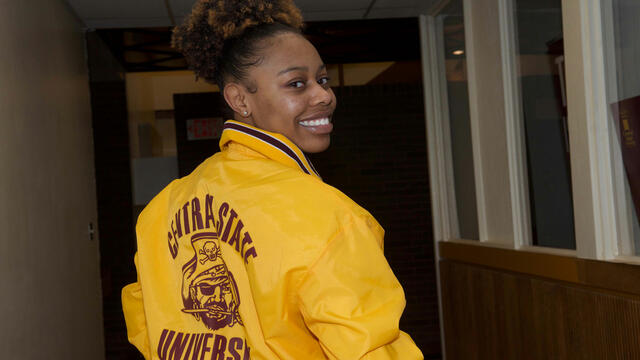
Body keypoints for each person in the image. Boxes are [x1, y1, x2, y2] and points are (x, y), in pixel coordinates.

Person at [121, 0, 424, 359]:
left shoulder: (162, 207)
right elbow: (368, 348)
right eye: (297, 84)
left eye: (323, 79)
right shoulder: (326, 213)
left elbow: (146, 325)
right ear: (238, 99)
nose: (323, 95)